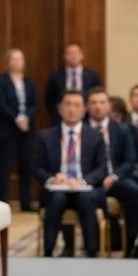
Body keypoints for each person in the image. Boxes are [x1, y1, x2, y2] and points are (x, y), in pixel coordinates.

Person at [36, 90, 107, 258]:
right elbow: (37, 168)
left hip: (84, 187)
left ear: (84, 110)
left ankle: (92, 251)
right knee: (56, 198)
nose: (71, 109)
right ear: (60, 109)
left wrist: (82, 181)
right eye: (67, 105)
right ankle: (48, 251)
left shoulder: (95, 136)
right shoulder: (46, 136)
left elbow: (102, 168)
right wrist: (53, 178)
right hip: (58, 188)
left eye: (76, 105)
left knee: (86, 199)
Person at [87, 87, 138, 257]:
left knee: (133, 190)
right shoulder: (81, 129)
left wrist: (114, 176)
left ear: (108, 106)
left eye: (102, 102)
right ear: (87, 107)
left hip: (116, 179)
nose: (98, 107)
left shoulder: (122, 130)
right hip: (90, 180)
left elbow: (130, 160)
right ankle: (88, 246)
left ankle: (132, 243)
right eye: (93, 103)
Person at [0, 47, 38, 210]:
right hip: (8, 128)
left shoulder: (29, 82)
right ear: (8, 62)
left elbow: (34, 104)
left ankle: (26, 201)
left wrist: (27, 118)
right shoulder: (1, 81)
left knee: (26, 165)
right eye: (14, 59)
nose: (18, 62)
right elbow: (2, 104)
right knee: (5, 166)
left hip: (26, 129)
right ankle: (3, 201)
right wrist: (16, 119)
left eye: (20, 59)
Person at [44, 43, 102, 126]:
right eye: (70, 53)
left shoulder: (92, 76)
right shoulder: (56, 77)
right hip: (61, 120)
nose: (73, 56)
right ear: (64, 57)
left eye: (76, 53)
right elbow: (49, 100)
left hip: (87, 119)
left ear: (82, 56)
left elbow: (97, 96)